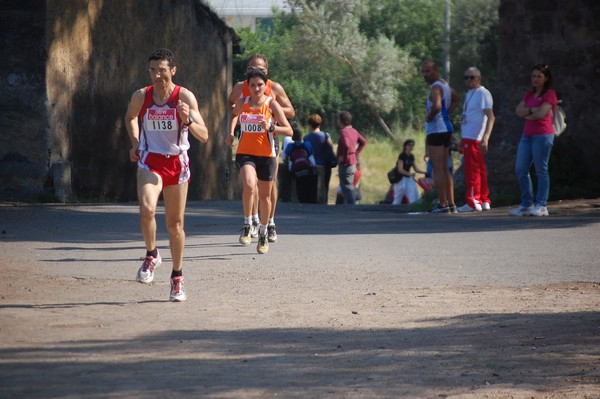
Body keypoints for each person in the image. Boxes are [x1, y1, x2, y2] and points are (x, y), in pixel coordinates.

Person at [125, 48, 209, 302]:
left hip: (177, 164)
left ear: (173, 70)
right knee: (147, 208)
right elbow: (130, 118)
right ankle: (152, 255)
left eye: (162, 69)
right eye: (153, 69)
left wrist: (188, 120)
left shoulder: (184, 97)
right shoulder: (142, 96)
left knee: (175, 225)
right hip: (150, 161)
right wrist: (136, 142)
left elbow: (204, 135)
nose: (157, 75)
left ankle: (177, 278)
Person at [227, 53, 295, 243]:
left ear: (266, 71)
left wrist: (272, 108)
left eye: (260, 70)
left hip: (269, 139)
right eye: (251, 69)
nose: (255, 72)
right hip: (248, 142)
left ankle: (270, 223)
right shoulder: (241, 87)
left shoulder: (274, 88)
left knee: (268, 186)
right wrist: (233, 125)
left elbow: (291, 111)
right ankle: (253, 221)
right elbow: (231, 104)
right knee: (250, 183)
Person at [509, 64, 557, 217]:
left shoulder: (550, 94)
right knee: (520, 169)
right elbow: (518, 111)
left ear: (546, 78)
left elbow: (542, 114)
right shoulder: (529, 94)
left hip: (542, 135)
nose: (535, 79)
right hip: (527, 135)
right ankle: (526, 204)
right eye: (533, 76)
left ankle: (541, 205)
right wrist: (531, 111)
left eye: (539, 76)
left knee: (541, 170)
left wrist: (530, 113)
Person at [421, 60, 461, 214]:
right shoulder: (445, 84)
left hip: (436, 131)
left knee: (437, 169)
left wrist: (430, 117)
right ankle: (451, 203)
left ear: (436, 71)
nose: (425, 74)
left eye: (428, 71)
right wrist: (446, 113)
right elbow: (456, 99)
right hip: (446, 129)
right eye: (423, 71)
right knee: (445, 168)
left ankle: (443, 204)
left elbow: (437, 106)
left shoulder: (436, 87)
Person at [457, 67, 496, 213]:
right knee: (479, 169)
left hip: (476, 138)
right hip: (468, 137)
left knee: (472, 171)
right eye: (466, 77)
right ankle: (484, 200)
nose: (468, 80)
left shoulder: (483, 93)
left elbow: (490, 117)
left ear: (479, 79)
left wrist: (485, 137)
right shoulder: (469, 94)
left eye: (472, 77)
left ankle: (473, 200)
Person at [304, 114, 337, 204]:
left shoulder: (306, 138)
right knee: (323, 187)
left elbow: (306, 153)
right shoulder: (326, 136)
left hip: (311, 166)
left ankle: (313, 204)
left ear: (310, 125)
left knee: (313, 187)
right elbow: (330, 149)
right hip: (324, 165)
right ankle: (322, 205)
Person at [336, 111, 367, 204]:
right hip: (352, 163)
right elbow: (363, 142)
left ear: (341, 121)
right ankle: (349, 208)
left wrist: (344, 159)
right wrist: (355, 153)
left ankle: (352, 208)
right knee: (348, 187)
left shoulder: (344, 132)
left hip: (346, 164)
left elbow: (346, 146)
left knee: (347, 187)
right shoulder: (354, 131)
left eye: (338, 119)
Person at [283, 126, 317, 203]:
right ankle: (309, 200)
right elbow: (311, 155)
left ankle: (299, 201)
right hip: (307, 169)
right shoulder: (307, 144)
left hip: (296, 170)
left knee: (298, 187)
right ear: (301, 136)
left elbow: (285, 158)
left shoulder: (290, 146)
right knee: (308, 186)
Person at [392, 139, 427, 205]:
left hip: (408, 179)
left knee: (413, 195)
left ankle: (413, 211)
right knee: (398, 197)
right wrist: (410, 174)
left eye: (412, 145)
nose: (411, 147)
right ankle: (393, 212)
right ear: (405, 146)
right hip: (400, 179)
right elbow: (400, 169)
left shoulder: (411, 156)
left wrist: (424, 172)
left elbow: (416, 169)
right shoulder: (402, 156)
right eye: (409, 145)